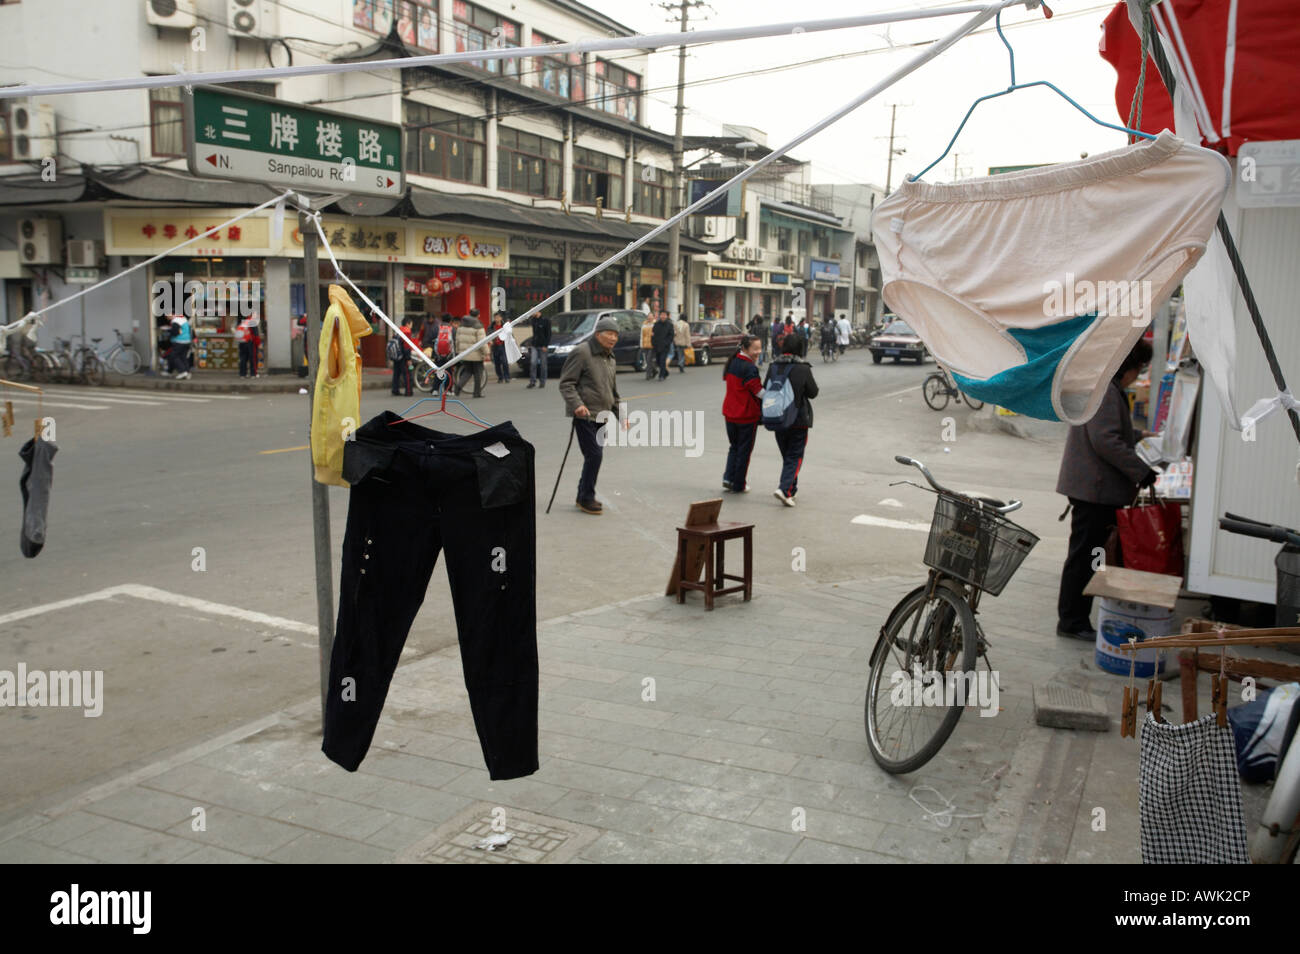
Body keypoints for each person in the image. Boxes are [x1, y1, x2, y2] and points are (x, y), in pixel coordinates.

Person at [1055, 338, 1159, 640]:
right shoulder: (1105, 392)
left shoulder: (1106, 389)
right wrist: (1142, 472)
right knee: (1085, 557)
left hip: (1093, 488)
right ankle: (1072, 621)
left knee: (1087, 555)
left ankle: (1074, 618)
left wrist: (1140, 435)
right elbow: (1106, 441)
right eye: (1139, 369)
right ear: (1127, 367)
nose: (1137, 376)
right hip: (1094, 490)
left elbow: (1109, 432)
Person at [559, 316, 621, 515]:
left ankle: (583, 495)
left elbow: (613, 390)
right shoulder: (582, 352)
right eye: (609, 334)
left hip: (602, 415)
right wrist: (577, 405)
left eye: (616, 335)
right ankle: (586, 497)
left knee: (595, 457)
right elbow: (566, 383)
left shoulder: (610, 357)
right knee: (594, 455)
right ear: (598, 335)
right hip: (585, 414)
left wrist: (621, 414)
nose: (613, 338)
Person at [765, 333, 818, 506]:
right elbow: (813, 392)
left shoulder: (773, 366)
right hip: (797, 419)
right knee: (795, 456)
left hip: (777, 417)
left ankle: (790, 491)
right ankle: (784, 488)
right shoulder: (803, 368)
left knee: (787, 455)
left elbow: (766, 387)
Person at [722, 335, 763, 493]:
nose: (758, 352)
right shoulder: (749, 368)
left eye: (760, 348)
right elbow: (758, 391)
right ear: (745, 348)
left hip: (730, 413)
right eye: (755, 349)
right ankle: (739, 484)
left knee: (734, 447)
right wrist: (775, 397)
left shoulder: (732, 362)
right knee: (744, 451)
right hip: (745, 415)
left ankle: (728, 478)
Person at [453, 311, 487, 398]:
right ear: (478, 315)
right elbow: (482, 342)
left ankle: (458, 387)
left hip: (464, 353)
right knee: (478, 373)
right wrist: (486, 352)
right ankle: (477, 393)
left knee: (468, 372)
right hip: (476, 355)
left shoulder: (461, 325)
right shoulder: (478, 326)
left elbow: (457, 340)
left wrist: (458, 351)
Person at [529, 310, 551, 388]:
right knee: (533, 363)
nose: (532, 313)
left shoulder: (545, 320)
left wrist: (545, 345)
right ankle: (532, 381)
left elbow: (548, 334)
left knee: (543, 365)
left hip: (543, 346)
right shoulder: (533, 320)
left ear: (538, 311)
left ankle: (542, 381)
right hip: (534, 345)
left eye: (533, 311)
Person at [390, 320, 414, 396]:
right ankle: (408, 391)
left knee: (396, 374)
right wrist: (408, 358)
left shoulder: (398, 329)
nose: (411, 326)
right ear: (407, 323)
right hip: (403, 356)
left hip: (396, 355)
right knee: (407, 374)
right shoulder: (407, 331)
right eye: (411, 324)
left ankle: (395, 389)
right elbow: (407, 346)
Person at [167, 313, 193, 379]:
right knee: (183, 357)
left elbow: (175, 332)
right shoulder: (183, 319)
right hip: (187, 341)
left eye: (167, 315)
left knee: (173, 356)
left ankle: (182, 371)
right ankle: (187, 373)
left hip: (179, 341)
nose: (166, 317)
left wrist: (168, 330)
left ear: (172, 315)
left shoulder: (175, 321)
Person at [489, 312, 512, 384]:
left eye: (498, 317)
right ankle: (500, 377)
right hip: (495, 346)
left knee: (505, 362)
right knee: (497, 363)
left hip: (503, 346)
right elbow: (488, 335)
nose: (497, 319)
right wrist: (490, 342)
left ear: (501, 318)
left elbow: (510, 335)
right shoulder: (491, 327)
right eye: (495, 317)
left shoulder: (505, 326)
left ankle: (507, 377)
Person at [651, 309, 674, 381]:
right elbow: (653, 334)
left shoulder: (669, 325)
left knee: (662, 360)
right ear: (659, 315)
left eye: (664, 315)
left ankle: (661, 376)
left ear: (667, 316)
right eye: (662, 315)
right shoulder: (656, 324)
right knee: (658, 361)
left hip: (665, 346)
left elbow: (671, 336)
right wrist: (653, 343)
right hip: (657, 346)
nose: (663, 316)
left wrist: (667, 343)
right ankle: (665, 372)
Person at [640, 311, 656, 381]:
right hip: (645, 344)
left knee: (649, 359)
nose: (649, 318)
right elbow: (641, 335)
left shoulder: (655, 324)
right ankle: (654, 370)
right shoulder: (644, 324)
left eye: (651, 316)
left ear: (653, 317)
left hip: (652, 344)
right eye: (648, 316)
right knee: (647, 359)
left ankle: (648, 375)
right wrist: (641, 344)